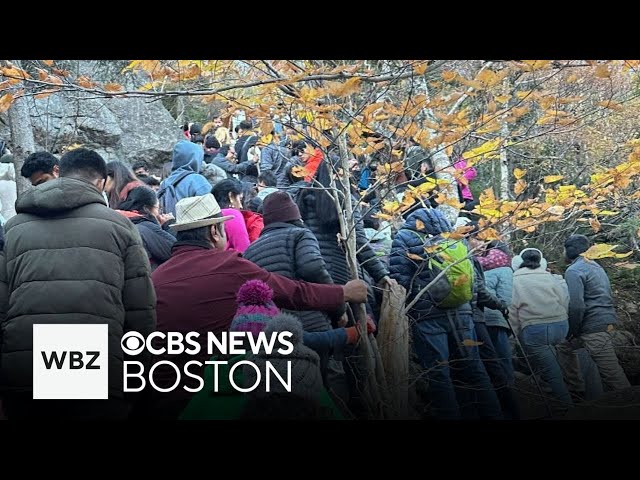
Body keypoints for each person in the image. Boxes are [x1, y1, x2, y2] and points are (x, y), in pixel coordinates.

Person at [145, 193, 367, 418]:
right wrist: (344, 292)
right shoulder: (229, 265)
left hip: (164, 399)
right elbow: (293, 292)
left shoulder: (155, 278)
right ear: (214, 231)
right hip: (222, 396)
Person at [0, 148, 156, 419]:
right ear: (100, 182)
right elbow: (140, 310)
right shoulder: (119, 226)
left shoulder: (14, 227)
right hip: (93, 361)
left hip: (23, 362)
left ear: (61, 171)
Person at [389, 207, 502, 419]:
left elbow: (399, 278)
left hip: (427, 316)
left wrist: (413, 306)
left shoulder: (404, 237)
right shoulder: (454, 236)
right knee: (475, 369)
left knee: (439, 374)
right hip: (461, 312)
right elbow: (473, 279)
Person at [556, 235, 631, 398]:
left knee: (612, 374)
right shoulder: (595, 266)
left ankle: (631, 404)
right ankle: (577, 389)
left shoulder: (574, 270)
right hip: (606, 320)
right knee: (564, 348)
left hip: (592, 325)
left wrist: (573, 330)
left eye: (564, 249)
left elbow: (576, 306)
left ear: (570, 251)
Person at [510, 248, 573, 409]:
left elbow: (512, 311)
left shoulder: (515, 280)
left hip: (535, 330)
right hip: (561, 325)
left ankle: (566, 407)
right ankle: (575, 392)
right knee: (554, 362)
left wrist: (515, 335)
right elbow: (563, 298)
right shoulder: (548, 276)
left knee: (551, 372)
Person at [116, 186, 176, 270]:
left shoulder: (118, 220)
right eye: (158, 208)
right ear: (146, 208)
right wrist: (168, 225)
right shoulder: (144, 226)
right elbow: (175, 251)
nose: (159, 213)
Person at [212, 179, 251, 253]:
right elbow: (243, 249)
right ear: (231, 196)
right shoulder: (232, 214)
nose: (241, 206)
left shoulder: (209, 215)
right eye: (240, 199)